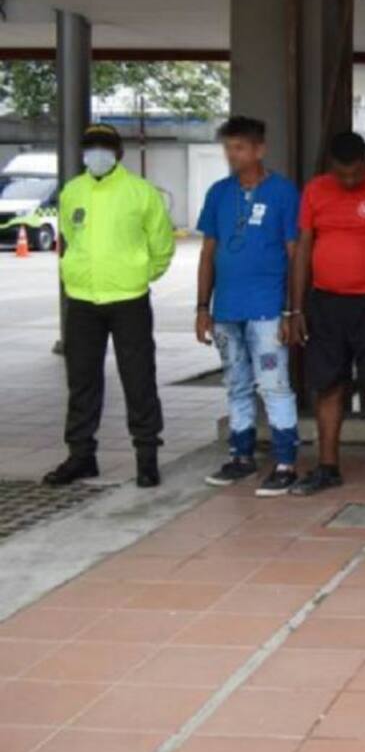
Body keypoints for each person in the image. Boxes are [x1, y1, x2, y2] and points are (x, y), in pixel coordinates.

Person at [44, 123, 175, 489]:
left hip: (128, 299)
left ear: (118, 153)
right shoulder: (72, 191)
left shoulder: (140, 192)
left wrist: (139, 273)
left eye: (103, 147)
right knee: (82, 380)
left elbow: (162, 243)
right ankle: (81, 456)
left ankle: (147, 458)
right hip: (83, 299)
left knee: (138, 379)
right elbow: (71, 238)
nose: (96, 154)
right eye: (90, 147)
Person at [289, 131, 365, 498]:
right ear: (331, 167)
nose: (348, 181)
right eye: (341, 174)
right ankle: (327, 467)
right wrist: (296, 308)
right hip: (325, 303)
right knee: (329, 386)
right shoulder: (315, 191)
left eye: (355, 174)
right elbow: (303, 253)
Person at [195, 117, 301, 496]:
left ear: (259, 149)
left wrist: (292, 310)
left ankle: (286, 461)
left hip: (267, 310)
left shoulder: (283, 193)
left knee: (274, 385)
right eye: (228, 147)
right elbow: (208, 252)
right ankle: (241, 457)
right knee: (236, 385)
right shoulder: (218, 192)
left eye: (239, 147)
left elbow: (294, 254)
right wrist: (202, 307)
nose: (231, 154)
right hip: (226, 310)